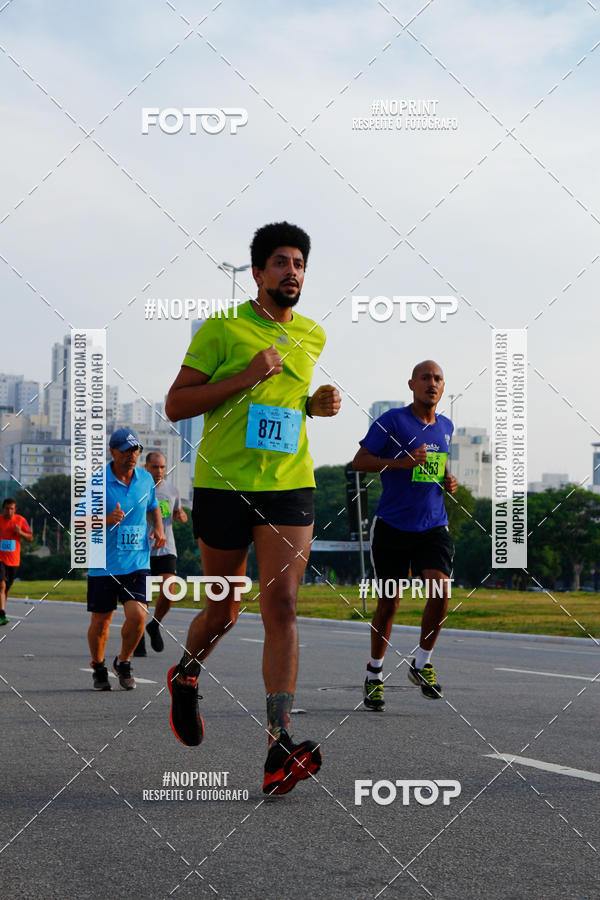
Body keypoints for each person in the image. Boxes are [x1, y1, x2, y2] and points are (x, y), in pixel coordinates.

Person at [165, 221, 341, 795]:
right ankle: (186, 674)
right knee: (223, 610)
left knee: (282, 604)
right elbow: (176, 404)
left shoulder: (312, 335)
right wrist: (244, 376)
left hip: (289, 486)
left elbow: (283, 405)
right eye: (282, 262)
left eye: (300, 264)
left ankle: (278, 744)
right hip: (223, 485)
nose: (293, 272)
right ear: (259, 272)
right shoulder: (223, 329)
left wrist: (312, 406)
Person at [352, 360, 457, 710]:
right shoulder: (392, 421)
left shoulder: (446, 426)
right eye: (425, 378)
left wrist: (448, 479)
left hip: (433, 524)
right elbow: (360, 461)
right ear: (411, 384)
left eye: (438, 378)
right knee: (389, 603)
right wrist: (402, 463)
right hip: (393, 526)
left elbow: (435, 464)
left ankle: (422, 663)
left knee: (441, 591)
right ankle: (374, 673)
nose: (432, 383)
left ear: (443, 387)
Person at [86, 428, 166, 691]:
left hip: (137, 562)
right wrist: (106, 519)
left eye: (135, 450)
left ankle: (124, 661)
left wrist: (159, 528)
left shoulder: (145, 479)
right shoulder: (98, 482)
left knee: (139, 615)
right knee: (101, 623)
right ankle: (99, 666)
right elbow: (79, 521)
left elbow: (153, 505)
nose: (131, 455)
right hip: (104, 564)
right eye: (125, 450)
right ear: (112, 452)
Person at [133, 450, 188, 656]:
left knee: (170, 590)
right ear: (146, 467)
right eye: (155, 467)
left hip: (166, 548)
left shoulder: (172, 490)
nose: (159, 471)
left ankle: (154, 624)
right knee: (141, 598)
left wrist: (181, 516)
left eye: (162, 467)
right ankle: (137, 636)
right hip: (142, 549)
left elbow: (178, 515)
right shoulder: (136, 489)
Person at [0, 498, 33, 625]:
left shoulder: (20, 520)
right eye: (7, 508)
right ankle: (2, 613)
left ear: (15, 509)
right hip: (0, 559)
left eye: (11, 509)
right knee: (2, 585)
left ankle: (1, 609)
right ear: (3, 509)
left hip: (13, 561)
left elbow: (30, 538)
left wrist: (20, 532)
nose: (9, 511)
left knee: (6, 588)